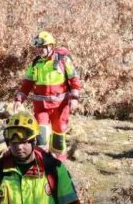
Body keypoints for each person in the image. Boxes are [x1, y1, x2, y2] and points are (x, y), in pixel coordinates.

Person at [13, 31, 82, 159]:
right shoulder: (35, 63)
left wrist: (75, 97)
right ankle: (42, 161)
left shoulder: (63, 60)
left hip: (60, 106)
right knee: (41, 135)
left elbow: (74, 79)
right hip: (41, 106)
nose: (39, 50)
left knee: (58, 135)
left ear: (50, 46)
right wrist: (19, 99)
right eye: (38, 47)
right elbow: (27, 84)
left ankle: (59, 162)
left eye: (42, 47)